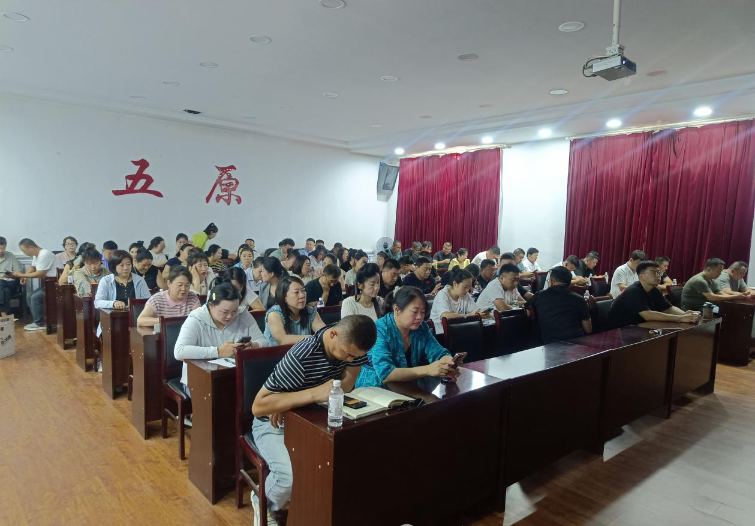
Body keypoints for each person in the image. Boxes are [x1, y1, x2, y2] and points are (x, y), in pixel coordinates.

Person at [251, 315, 376, 525]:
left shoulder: (353, 348)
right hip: (271, 424)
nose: (349, 360)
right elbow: (259, 407)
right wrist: (314, 394)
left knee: (343, 462)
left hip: (310, 418)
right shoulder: (303, 354)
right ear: (333, 334)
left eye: (355, 357)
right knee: (287, 477)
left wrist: (289, 402)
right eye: (346, 354)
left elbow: (346, 385)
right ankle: (262, 501)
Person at [175, 282, 268, 397]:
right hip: (199, 379)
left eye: (234, 310)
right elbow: (179, 351)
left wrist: (252, 345)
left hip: (234, 375)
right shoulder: (196, 318)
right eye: (224, 312)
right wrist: (218, 351)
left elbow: (264, 342)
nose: (230, 316)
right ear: (211, 305)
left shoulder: (243, 314)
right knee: (221, 398)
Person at [356, 287, 457, 387]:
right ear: (397, 309)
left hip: (406, 386)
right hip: (375, 389)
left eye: (422, 312)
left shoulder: (421, 327)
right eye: (414, 312)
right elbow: (386, 373)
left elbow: (438, 352)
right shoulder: (380, 329)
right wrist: (427, 369)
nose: (419, 317)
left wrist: (448, 362)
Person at [609, 261, 701, 328]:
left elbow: (668, 308)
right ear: (641, 277)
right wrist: (680, 318)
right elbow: (648, 315)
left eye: (658, 272)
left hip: (638, 325)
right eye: (653, 272)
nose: (658, 275)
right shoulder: (633, 291)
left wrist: (686, 315)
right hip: (619, 329)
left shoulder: (654, 290)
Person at [526, 266, 592, 343]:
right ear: (569, 283)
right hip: (576, 344)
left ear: (551, 281)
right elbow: (588, 330)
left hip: (548, 344)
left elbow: (526, 310)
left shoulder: (539, 296)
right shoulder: (580, 299)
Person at [94, 250, 151, 337]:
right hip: (112, 323)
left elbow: (149, 301)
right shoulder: (106, 281)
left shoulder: (139, 280)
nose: (126, 268)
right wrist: (113, 303)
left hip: (135, 321)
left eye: (128, 264)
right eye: (122, 265)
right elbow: (97, 302)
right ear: (114, 266)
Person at [264, 276, 326, 345]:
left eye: (303, 291)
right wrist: (313, 338)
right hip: (279, 352)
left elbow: (324, 333)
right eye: (296, 292)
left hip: (303, 351)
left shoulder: (311, 311)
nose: (302, 295)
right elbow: (282, 340)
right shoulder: (274, 314)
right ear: (284, 297)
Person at [12, 239, 57, 331]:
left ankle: (39, 323)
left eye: (24, 251)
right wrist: (25, 276)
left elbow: (40, 273)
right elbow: (33, 267)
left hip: (55, 284)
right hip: (47, 284)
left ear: (31, 247)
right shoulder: (36, 255)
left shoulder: (44, 254)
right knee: (30, 296)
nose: (24, 253)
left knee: (35, 297)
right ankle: (39, 321)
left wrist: (21, 275)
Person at [682, 258, 750, 311]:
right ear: (709, 269)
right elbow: (712, 297)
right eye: (718, 271)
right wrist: (735, 297)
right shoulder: (699, 280)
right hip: (692, 309)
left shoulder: (712, 280)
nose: (720, 274)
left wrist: (740, 296)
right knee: (727, 312)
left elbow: (721, 293)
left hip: (705, 307)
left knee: (731, 310)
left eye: (721, 271)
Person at [430, 269, 483, 334]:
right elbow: (445, 316)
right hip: (439, 333)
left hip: (456, 330)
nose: (467, 290)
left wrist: (481, 313)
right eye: (465, 287)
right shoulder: (442, 295)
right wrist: (468, 315)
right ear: (455, 283)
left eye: (469, 287)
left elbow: (475, 310)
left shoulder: (464, 294)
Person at [0, 237, 22, 317]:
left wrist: (10, 274)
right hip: (3, 286)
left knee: (1, 284)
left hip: (10, 281)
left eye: (2, 248)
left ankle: (3, 314)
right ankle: (4, 314)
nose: (1, 251)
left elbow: (18, 272)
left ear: (5, 246)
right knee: (5, 291)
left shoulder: (10, 256)